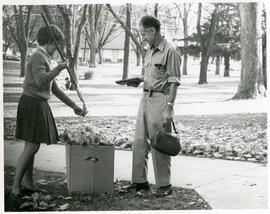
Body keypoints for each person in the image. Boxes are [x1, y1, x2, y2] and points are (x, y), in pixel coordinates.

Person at [12, 25, 87, 197]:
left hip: (38, 104)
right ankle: (15, 186)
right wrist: (58, 69)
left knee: (31, 146)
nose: (57, 50)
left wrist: (73, 106)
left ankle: (27, 183)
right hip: (31, 103)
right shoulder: (38, 56)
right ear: (50, 42)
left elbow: (54, 89)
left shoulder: (45, 57)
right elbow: (40, 81)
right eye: (57, 45)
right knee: (31, 147)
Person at [127, 15, 181, 197]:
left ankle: (164, 185)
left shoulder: (171, 51)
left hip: (160, 100)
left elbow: (174, 82)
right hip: (145, 98)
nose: (142, 37)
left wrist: (170, 107)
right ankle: (140, 181)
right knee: (139, 141)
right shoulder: (149, 50)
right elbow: (152, 74)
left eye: (144, 34)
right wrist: (139, 79)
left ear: (152, 30)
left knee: (159, 142)